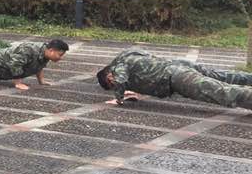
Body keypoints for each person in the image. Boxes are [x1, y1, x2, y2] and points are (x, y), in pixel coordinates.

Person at [97, 51, 252, 108]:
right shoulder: (127, 55)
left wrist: (118, 98)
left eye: (111, 85)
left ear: (108, 78)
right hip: (179, 65)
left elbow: (120, 80)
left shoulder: (117, 68)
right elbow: (145, 71)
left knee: (220, 92)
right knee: (223, 76)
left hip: (177, 78)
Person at [0, 39, 69, 89]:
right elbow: (15, 64)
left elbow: (39, 67)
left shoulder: (44, 54)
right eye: (59, 55)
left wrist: (41, 81)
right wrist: (18, 83)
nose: (60, 58)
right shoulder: (29, 49)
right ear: (51, 50)